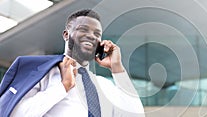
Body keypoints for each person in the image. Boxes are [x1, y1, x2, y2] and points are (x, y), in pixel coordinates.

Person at [0, 9, 144, 117]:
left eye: (97, 34)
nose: (91, 36)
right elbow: (13, 114)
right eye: (83, 29)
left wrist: (117, 68)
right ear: (66, 34)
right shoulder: (42, 73)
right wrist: (63, 86)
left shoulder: (103, 85)